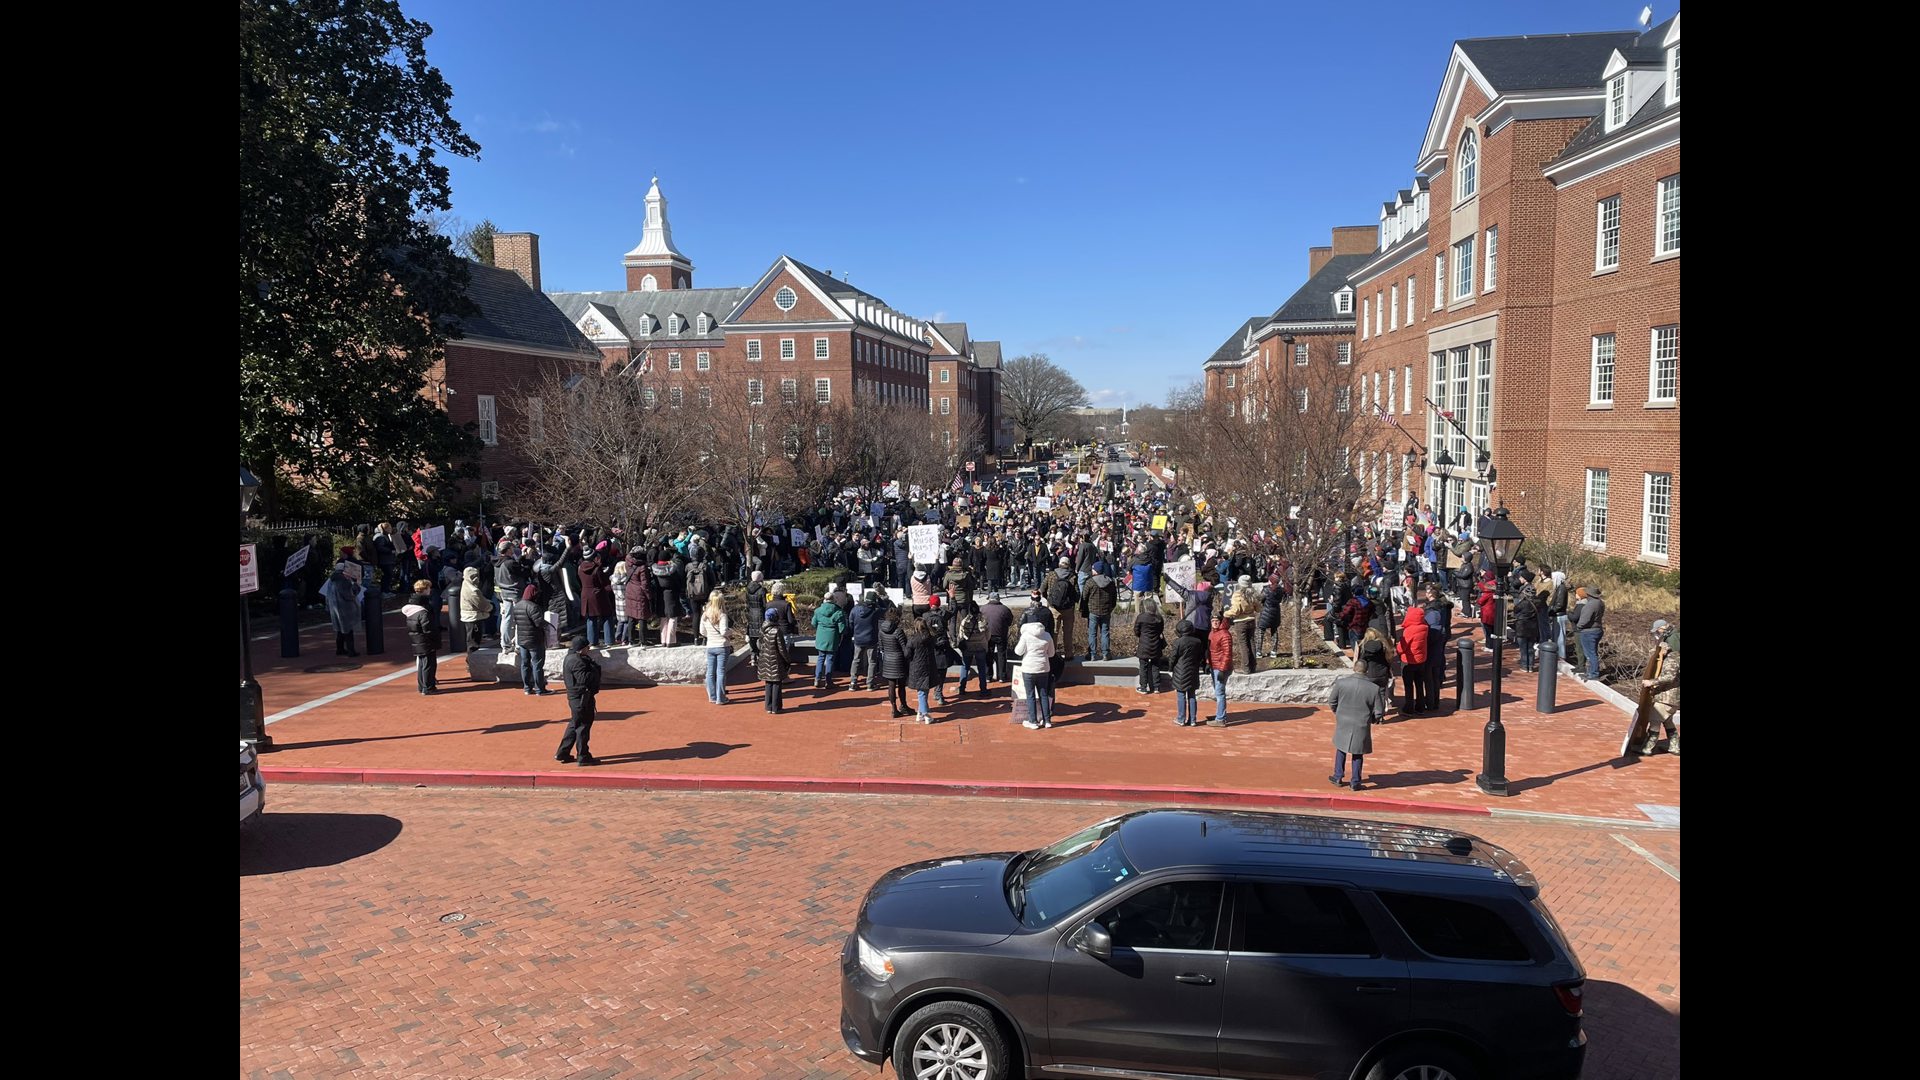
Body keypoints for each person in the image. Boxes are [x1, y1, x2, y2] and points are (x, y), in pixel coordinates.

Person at [1329, 659, 1387, 791]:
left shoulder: (1341, 683)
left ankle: (1338, 776)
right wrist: (1373, 719)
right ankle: (1355, 782)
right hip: (1361, 723)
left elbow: (1332, 701)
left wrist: (1338, 713)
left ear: (1354, 668)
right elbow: (1379, 711)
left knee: (1341, 748)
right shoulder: (1374, 688)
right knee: (1358, 753)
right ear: (1366, 671)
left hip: (1343, 720)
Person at [556, 636, 602, 765]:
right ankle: (583, 756)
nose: (589, 650)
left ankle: (563, 753)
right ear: (582, 649)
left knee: (574, 724)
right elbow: (584, 679)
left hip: (576, 698)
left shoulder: (571, 658)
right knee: (583, 726)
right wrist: (594, 668)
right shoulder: (578, 662)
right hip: (581, 698)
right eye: (587, 647)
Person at [1637, 620, 1680, 755]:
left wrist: (1652, 682)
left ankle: (1647, 748)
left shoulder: (1672, 658)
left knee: (1655, 720)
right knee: (1667, 721)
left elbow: (1669, 677)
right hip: (1670, 697)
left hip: (1668, 696)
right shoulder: (1669, 656)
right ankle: (1674, 746)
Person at [1014, 616, 1057, 729]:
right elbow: (1052, 653)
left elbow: (1018, 651)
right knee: (1043, 694)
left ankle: (1033, 721)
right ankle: (1047, 720)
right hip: (1043, 668)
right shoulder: (1047, 635)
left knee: (1030, 695)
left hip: (1029, 668)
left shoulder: (1026, 635)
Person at [511, 584, 552, 695]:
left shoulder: (517, 606)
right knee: (537, 664)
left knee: (525, 664)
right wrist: (548, 623)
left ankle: (527, 688)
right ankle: (540, 689)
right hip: (535, 640)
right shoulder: (533, 607)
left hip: (522, 640)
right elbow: (538, 623)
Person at [402, 580, 440, 695]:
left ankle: (422, 686)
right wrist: (435, 637)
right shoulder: (423, 610)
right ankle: (428, 687)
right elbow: (428, 627)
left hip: (417, 638)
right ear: (424, 590)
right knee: (429, 664)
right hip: (426, 640)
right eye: (428, 588)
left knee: (422, 663)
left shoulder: (412, 607)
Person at [1168, 618, 1205, 727]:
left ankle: (1181, 718)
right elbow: (1200, 657)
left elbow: (1173, 657)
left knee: (1181, 695)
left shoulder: (1178, 642)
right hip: (1193, 670)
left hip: (1180, 671)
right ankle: (1193, 719)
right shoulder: (1197, 641)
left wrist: (1170, 668)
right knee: (1192, 695)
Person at [903, 613, 938, 723]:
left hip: (917, 667)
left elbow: (907, 654)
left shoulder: (913, 639)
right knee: (924, 690)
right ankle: (921, 713)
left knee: (921, 691)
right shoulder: (930, 638)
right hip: (928, 666)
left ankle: (924, 714)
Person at [1396, 600, 1430, 714]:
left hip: (1409, 661)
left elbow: (1402, 648)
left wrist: (1398, 644)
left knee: (1408, 685)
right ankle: (1420, 706)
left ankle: (1409, 707)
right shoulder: (1424, 627)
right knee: (1419, 684)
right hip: (1421, 660)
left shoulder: (1409, 630)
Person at [321, 564, 361, 657]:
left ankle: (340, 648)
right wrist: (355, 584)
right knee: (348, 629)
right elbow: (349, 594)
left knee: (340, 629)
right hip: (345, 607)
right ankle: (351, 651)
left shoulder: (332, 579)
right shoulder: (344, 580)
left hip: (334, 607)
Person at [1044, 557, 1080, 661]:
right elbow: (1077, 594)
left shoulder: (1051, 575)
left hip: (1053, 608)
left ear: (1059, 564)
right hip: (1068, 608)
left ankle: (1053, 654)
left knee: (1054, 632)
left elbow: (1042, 589)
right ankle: (1068, 654)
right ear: (1068, 565)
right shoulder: (1073, 576)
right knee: (1068, 632)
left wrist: (1049, 600)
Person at [877, 606, 911, 718]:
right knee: (901, 685)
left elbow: (881, 647)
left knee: (891, 685)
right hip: (899, 660)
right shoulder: (898, 631)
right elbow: (905, 648)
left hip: (887, 660)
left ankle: (893, 708)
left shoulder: (881, 630)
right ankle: (904, 705)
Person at [1081, 561, 1117, 661]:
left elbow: (1084, 597)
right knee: (1105, 632)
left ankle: (1092, 654)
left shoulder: (1090, 582)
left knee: (1092, 633)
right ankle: (1106, 653)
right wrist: (1111, 607)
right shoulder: (1110, 582)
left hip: (1093, 611)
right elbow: (1114, 597)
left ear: (1096, 570)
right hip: (1106, 611)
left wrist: (1083, 610)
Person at [849, 590, 884, 691]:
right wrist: (880, 599)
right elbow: (887, 609)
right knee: (872, 662)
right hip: (871, 640)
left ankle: (853, 682)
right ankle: (870, 683)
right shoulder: (875, 611)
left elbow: (851, 623)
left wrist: (855, 633)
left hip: (858, 639)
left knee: (856, 660)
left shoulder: (855, 609)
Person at [699, 593, 730, 705]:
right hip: (722, 645)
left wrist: (710, 636)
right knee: (721, 672)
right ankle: (720, 698)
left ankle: (712, 696)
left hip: (710, 645)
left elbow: (702, 632)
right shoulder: (722, 615)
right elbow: (724, 631)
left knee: (710, 672)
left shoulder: (705, 615)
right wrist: (731, 632)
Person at [1357, 626, 1393, 719]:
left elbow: (1362, 661)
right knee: (1381, 694)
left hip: (1369, 673)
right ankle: (1379, 716)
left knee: (1369, 695)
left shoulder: (1364, 646)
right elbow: (1388, 659)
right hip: (1382, 673)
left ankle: (1370, 714)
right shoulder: (1383, 645)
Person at [811, 593, 846, 690]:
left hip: (821, 637)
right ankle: (828, 681)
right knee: (830, 659)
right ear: (834, 599)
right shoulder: (839, 612)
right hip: (832, 638)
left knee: (820, 658)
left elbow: (813, 623)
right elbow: (842, 629)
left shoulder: (818, 611)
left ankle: (817, 679)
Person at [1133, 594, 1166, 694]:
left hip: (1144, 644)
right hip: (1156, 645)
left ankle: (1143, 687)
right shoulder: (1159, 618)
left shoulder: (1141, 617)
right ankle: (1156, 687)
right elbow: (1161, 630)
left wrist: (1142, 636)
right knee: (1155, 666)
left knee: (1143, 666)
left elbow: (1136, 631)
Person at [757, 611, 789, 714]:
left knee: (768, 683)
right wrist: (787, 660)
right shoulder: (776, 630)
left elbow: (759, 644)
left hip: (764, 658)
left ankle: (768, 706)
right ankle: (776, 707)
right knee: (776, 683)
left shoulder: (762, 629)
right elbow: (782, 648)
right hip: (776, 659)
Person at [1573, 585, 1606, 682]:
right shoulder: (1600, 603)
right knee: (1592, 652)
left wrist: (1579, 626)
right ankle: (1591, 672)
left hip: (1589, 631)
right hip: (1597, 629)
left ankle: (1593, 673)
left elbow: (1585, 619)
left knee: (1590, 654)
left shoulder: (1590, 605)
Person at [957, 600, 990, 696]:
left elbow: (961, 635)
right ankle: (983, 690)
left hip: (968, 647)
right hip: (981, 647)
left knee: (965, 667)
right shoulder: (983, 620)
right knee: (982, 669)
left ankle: (962, 688)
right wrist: (984, 642)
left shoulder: (964, 621)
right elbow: (988, 634)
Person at [981, 591, 1014, 683]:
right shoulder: (1005, 609)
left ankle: (988, 676)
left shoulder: (983, 609)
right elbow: (1009, 622)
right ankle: (1002, 676)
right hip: (1001, 634)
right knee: (1002, 654)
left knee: (988, 654)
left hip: (987, 635)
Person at [1207, 613, 1233, 727]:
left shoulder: (1225, 634)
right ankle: (1219, 713)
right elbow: (1210, 651)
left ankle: (1220, 719)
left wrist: (1222, 670)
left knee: (1220, 692)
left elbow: (1227, 654)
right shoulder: (1212, 633)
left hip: (1221, 668)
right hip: (1214, 666)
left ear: (1221, 621)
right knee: (1217, 692)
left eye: (1217, 620)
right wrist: (1208, 663)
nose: (1215, 622)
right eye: (1213, 620)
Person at [459, 564, 493, 653]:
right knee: (473, 642)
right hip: (473, 617)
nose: (476, 578)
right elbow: (481, 604)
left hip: (469, 616)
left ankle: (471, 659)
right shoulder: (473, 590)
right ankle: (472, 661)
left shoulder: (466, 583)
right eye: (474, 576)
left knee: (471, 639)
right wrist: (490, 607)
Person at [1226, 583, 1258, 674]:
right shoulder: (1253, 594)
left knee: (1243, 644)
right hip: (1251, 620)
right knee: (1252, 642)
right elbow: (1259, 608)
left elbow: (1236, 611)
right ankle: (1253, 666)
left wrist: (1226, 613)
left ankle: (1245, 667)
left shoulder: (1238, 595)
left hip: (1241, 621)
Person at [623, 551, 654, 647]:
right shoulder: (642, 567)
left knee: (631, 617)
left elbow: (628, 555)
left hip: (629, 591)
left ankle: (631, 640)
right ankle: (643, 641)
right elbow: (645, 584)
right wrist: (649, 596)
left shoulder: (628, 563)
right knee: (642, 617)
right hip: (639, 593)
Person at [1511, 585, 1541, 673]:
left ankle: (1524, 665)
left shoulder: (1523, 603)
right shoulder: (1538, 602)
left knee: (1523, 648)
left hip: (1522, 627)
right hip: (1533, 627)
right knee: (1530, 648)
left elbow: (1515, 609)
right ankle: (1531, 666)